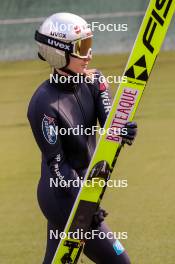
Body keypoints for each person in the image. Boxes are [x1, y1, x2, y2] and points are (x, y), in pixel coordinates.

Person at [27, 12, 137, 264]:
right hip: (62, 197)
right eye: (81, 47)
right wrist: (85, 206)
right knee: (120, 262)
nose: (89, 54)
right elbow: (58, 167)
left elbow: (109, 123)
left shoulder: (95, 81)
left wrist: (122, 130)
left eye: (89, 44)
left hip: (81, 193)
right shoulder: (42, 103)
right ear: (58, 52)